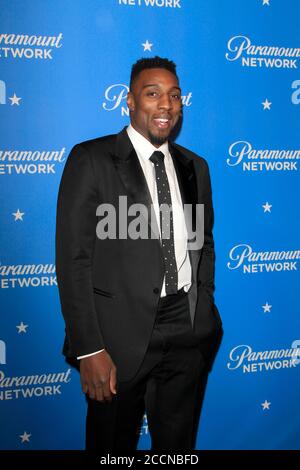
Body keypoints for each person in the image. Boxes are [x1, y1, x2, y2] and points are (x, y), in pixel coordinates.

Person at [55, 56, 222, 452]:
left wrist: (204, 306)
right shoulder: (91, 159)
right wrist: (89, 347)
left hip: (187, 331)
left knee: (177, 449)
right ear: (129, 101)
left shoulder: (194, 166)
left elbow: (204, 242)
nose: (166, 104)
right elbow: (72, 259)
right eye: (153, 94)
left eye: (175, 95)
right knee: (110, 448)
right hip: (116, 337)